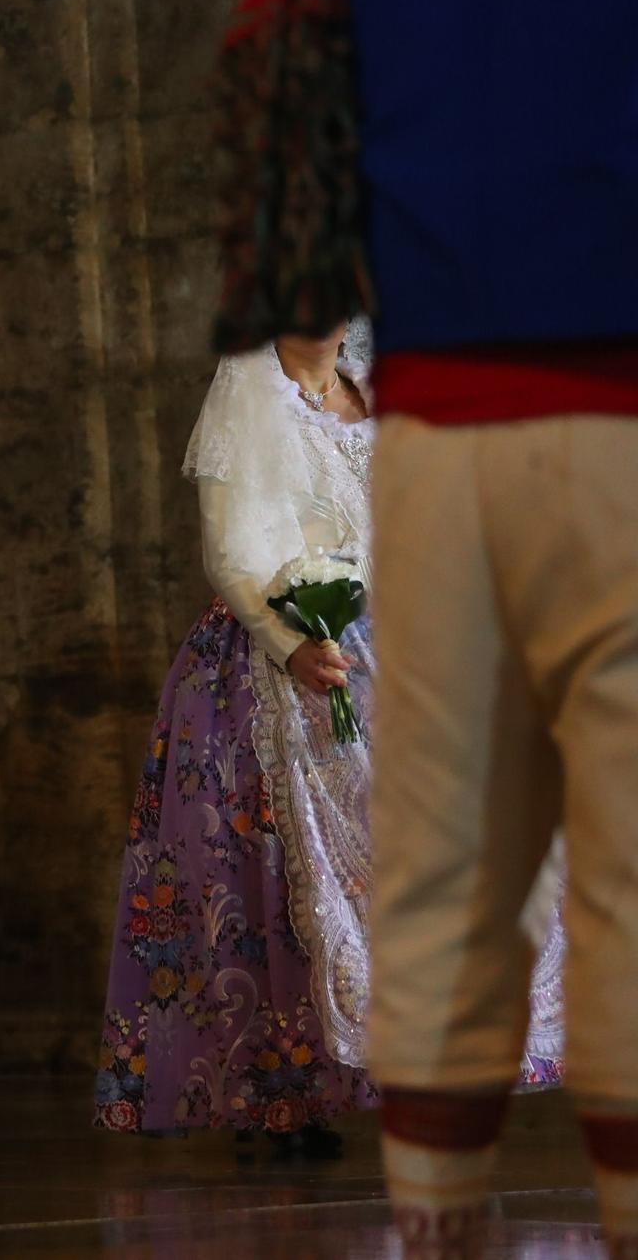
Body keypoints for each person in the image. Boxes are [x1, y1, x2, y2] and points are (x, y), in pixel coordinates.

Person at [340, 0, 638, 1252]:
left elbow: (279, 126)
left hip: (435, 428)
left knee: (444, 863)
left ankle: (438, 1223)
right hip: (612, 409)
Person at [93, 322, 562, 1158]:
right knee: (286, 889)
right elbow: (230, 550)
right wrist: (294, 645)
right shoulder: (247, 391)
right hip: (286, 655)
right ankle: (283, 1094)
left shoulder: (373, 389)